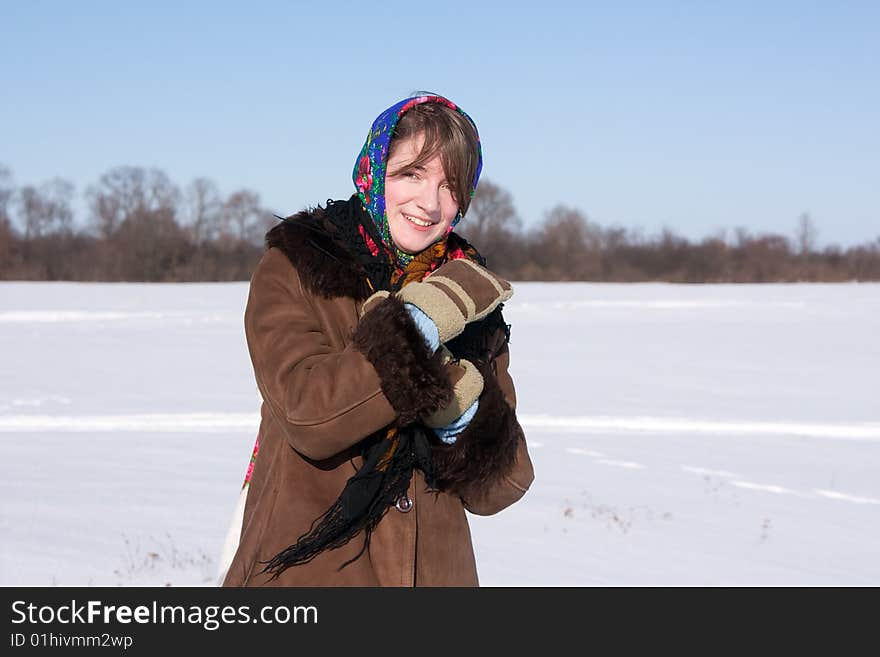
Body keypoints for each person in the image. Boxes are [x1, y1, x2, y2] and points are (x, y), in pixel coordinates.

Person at [221, 93, 534, 587]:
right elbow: (310, 415)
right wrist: (413, 330)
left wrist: (463, 418)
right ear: (373, 169)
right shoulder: (302, 267)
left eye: (450, 186)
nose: (429, 203)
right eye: (411, 173)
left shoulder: (469, 298)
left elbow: (504, 485)